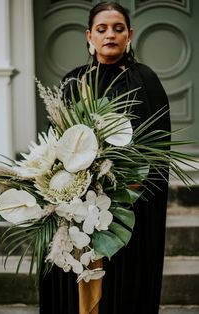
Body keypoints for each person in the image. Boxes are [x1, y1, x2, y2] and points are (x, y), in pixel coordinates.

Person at [39, 2, 171, 314]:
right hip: (74, 203)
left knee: (122, 288)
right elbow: (53, 143)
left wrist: (128, 189)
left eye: (118, 28)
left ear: (130, 35)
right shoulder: (73, 82)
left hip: (127, 205)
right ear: (89, 35)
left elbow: (158, 148)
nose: (110, 35)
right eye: (102, 29)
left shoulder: (145, 81)